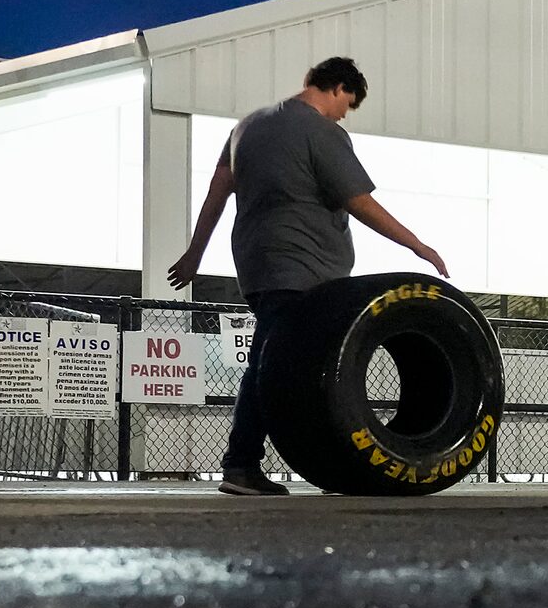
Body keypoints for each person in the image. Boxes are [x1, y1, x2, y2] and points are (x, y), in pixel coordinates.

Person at [166, 57, 449, 496]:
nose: (344, 114)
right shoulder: (322, 131)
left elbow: (217, 191)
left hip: (257, 264)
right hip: (305, 269)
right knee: (268, 364)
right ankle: (240, 465)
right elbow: (359, 201)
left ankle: (333, 467)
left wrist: (195, 254)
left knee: (299, 367)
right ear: (336, 88)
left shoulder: (246, 128)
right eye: (347, 104)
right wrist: (417, 245)